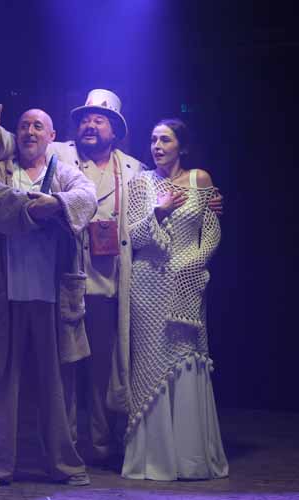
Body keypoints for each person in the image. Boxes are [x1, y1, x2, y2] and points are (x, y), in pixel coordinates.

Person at [0, 89, 144, 466]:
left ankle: (97, 448)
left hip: (101, 279)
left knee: (98, 370)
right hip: (56, 281)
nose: (90, 125)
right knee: (37, 373)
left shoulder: (130, 168)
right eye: (85, 119)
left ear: (115, 130)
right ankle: (35, 454)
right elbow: (18, 144)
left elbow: (142, 198)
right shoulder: (60, 153)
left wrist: (196, 197)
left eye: (99, 120)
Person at [0, 108, 97, 488]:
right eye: (23, 125)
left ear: (51, 135)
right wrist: (35, 207)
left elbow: (86, 197)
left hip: (54, 296)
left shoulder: (65, 172)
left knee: (58, 386)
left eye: (38, 126)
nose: (30, 131)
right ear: (15, 134)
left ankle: (65, 465)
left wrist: (57, 204)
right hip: (5, 295)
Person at [121, 118, 228, 481]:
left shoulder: (200, 179)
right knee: (150, 363)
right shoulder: (141, 184)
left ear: (182, 146)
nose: (157, 146)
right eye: (153, 140)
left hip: (187, 284)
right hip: (147, 286)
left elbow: (211, 232)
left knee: (186, 360)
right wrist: (160, 210)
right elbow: (133, 237)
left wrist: (191, 265)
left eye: (165, 140)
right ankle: (154, 458)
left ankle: (189, 458)